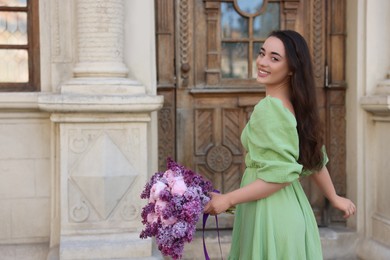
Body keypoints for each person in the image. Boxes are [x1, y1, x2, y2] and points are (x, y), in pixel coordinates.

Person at [204, 30, 356, 260]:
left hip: (270, 215)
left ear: (292, 68)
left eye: (275, 58)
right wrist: (334, 197)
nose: (263, 62)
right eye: (262, 53)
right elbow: (314, 159)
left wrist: (228, 199)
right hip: (290, 210)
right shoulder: (294, 106)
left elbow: (280, 176)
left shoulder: (270, 108)